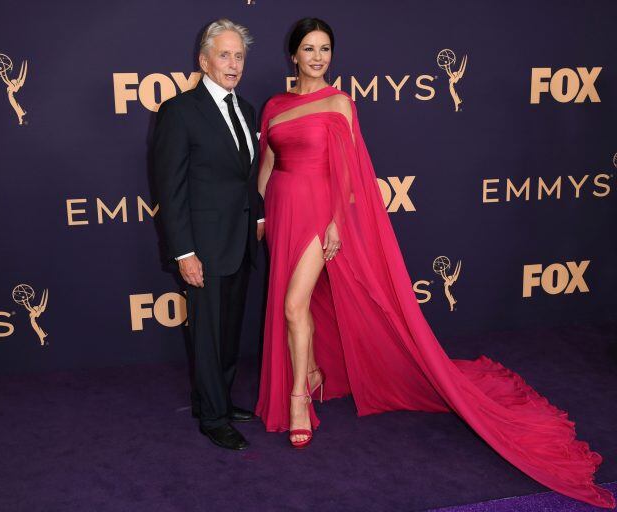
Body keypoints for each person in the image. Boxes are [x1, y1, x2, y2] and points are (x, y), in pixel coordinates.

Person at [254, 17, 615, 509]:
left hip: (319, 214)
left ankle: (299, 398)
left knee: (294, 306)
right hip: (281, 210)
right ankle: (313, 370)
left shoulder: (341, 103)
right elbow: (267, 169)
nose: (318, 57)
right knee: (305, 303)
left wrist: (336, 222)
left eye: (325, 49)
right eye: (309, 49)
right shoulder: (274, 106)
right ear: (292, 55)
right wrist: (263, 213)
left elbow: (352, 175)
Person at [153, 18, 264, 451]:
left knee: (230, 330)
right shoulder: (179, 112)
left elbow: (246, 177)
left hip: (239, 241)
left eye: (239, 56)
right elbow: (171, 188)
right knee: (208, 334)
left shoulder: (247, 109)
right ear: (203, 60)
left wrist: (256, 219)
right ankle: (213, 418)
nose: (233, 64)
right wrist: (184, 251)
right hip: (202, 245)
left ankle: (213, 399)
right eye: (224, 55)